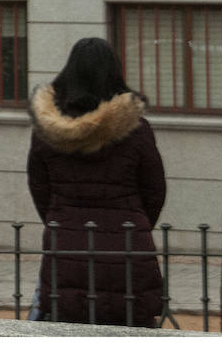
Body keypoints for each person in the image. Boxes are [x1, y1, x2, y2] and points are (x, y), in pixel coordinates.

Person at [27, 37, 166, 326]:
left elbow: (39, 187)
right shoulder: (136, 129)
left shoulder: (47, 131)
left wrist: (60, 218)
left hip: (67, 244)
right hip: (127, 245)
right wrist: (134, 221)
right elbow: (154, 190)